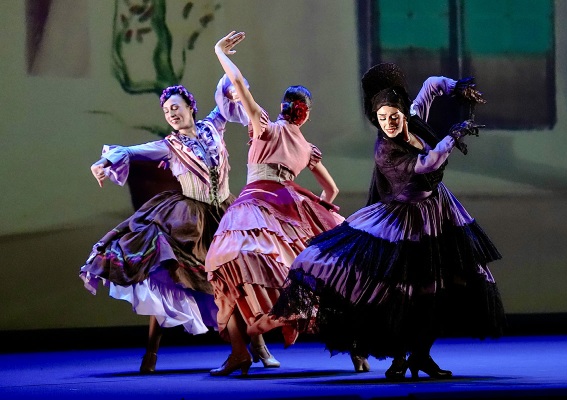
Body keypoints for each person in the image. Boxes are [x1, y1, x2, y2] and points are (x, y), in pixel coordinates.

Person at [250, 62, 506, 380]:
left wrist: (455, 87)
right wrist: (452, 136)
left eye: (393, 117)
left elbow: (430, 85)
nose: (388, 123)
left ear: (404, 113)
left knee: (439, 290)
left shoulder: (414, 117)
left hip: (438, 214)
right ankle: (399, 357)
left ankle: (421, 356)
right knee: (402, 292)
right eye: (382, 119)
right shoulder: (385, 150)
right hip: (404, 222)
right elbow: (427, 164)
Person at [80, 75, 257, 374]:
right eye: (166, 111)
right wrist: (104, 163)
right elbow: (132, 151)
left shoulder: (213, 126)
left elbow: (229, 91)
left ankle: (252, 348)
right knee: (169, 277)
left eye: (175, 107)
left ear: (190, 107)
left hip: (226, 215)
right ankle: (152, 352)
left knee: (236, 280)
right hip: (191, 221)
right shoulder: (169, 146)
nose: (171, 113)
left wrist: (228, 74)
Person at [205, 31, 343, 377]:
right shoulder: (307, 149)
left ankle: (242, 349)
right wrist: (315, 217)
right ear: (305, 114)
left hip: (254, 205)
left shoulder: (264, 127)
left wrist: (220, 52)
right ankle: (249, 346)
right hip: (287, 206)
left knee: (222, 264)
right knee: (282, 268)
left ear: (284, 108)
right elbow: (331, 190)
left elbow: (239, 84)